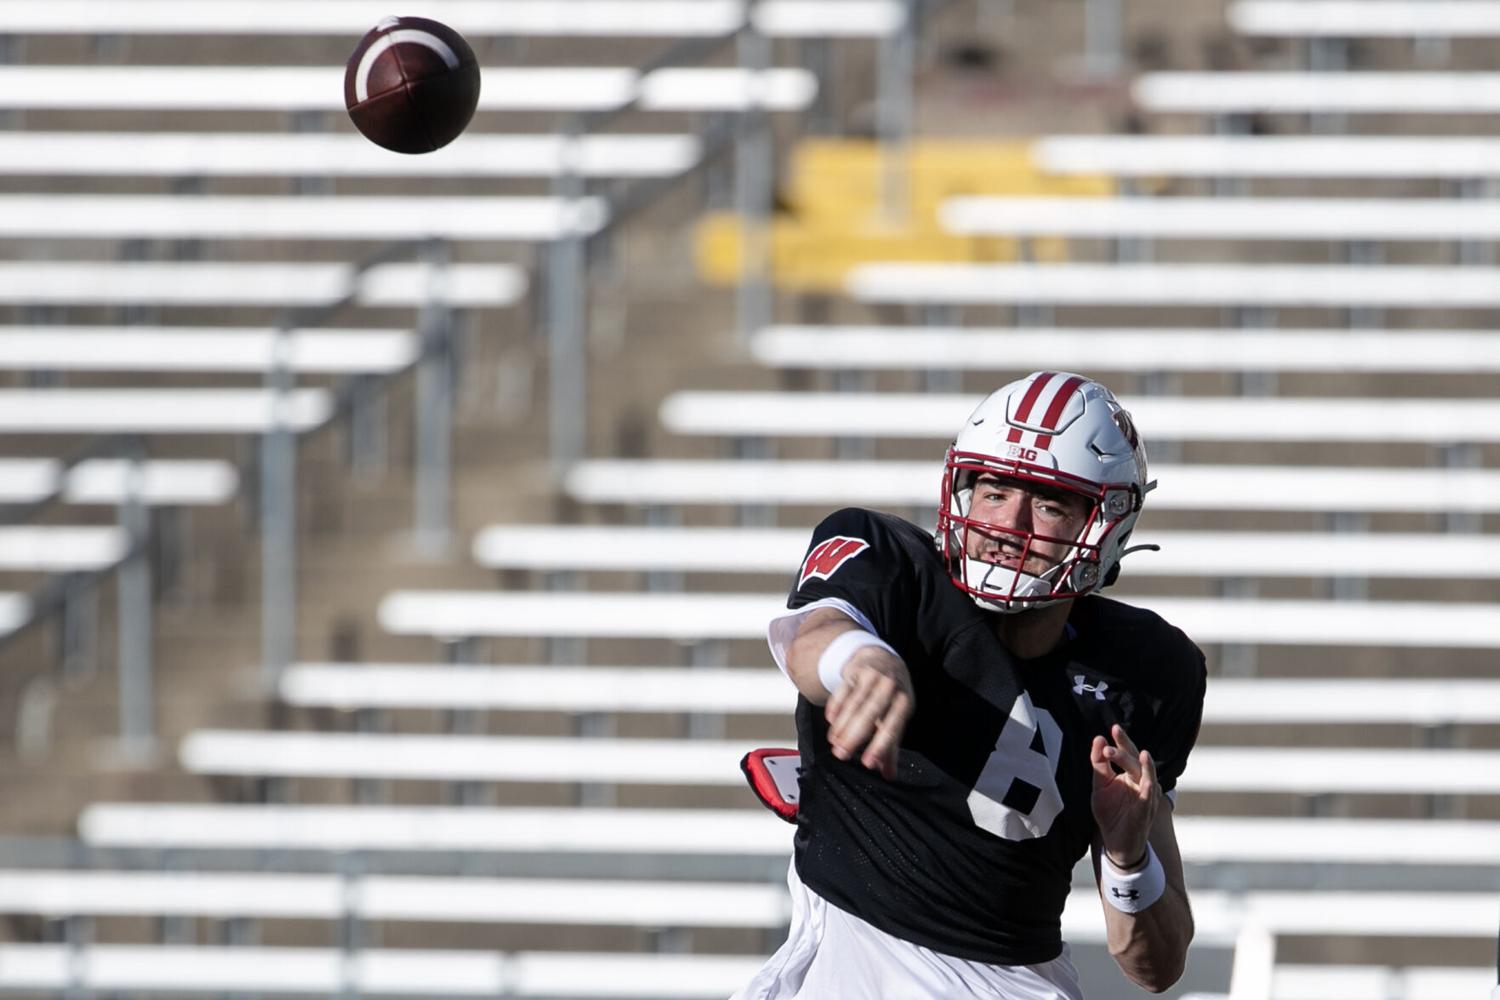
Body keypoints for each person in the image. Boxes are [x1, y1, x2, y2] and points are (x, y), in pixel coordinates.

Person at [732, 371, 1206, 1000]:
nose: (1009, 525)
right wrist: (861, 661)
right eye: (992, 491)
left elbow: (1157, 966)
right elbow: (813, 634)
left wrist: (1127, 856)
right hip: (845, 962)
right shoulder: (895, 571)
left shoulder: (1148, 670)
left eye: (1048, 502)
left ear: (1106, 524)